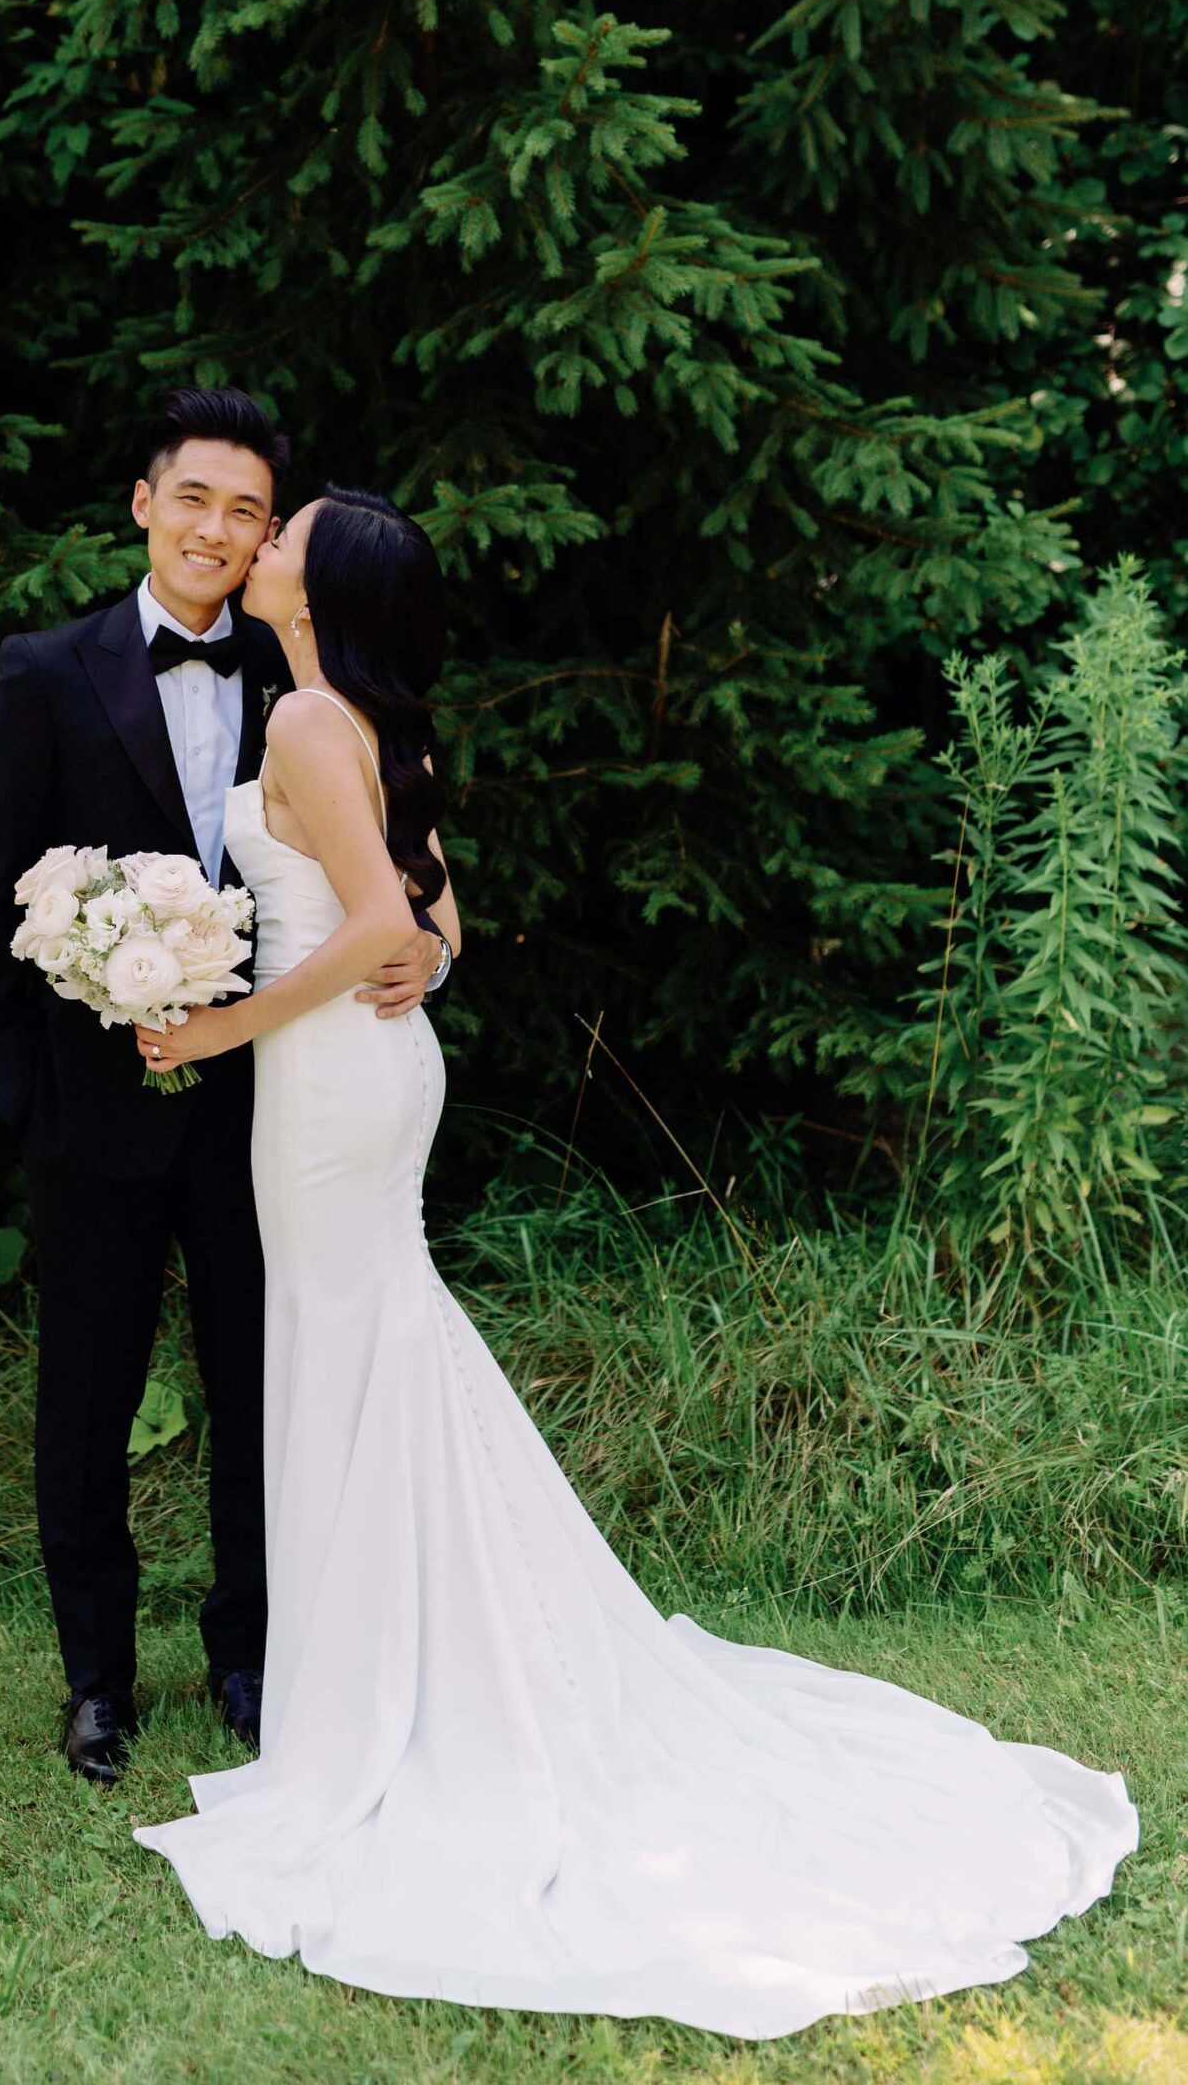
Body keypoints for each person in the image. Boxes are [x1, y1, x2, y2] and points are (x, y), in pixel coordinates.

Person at [128, 483, 1139, 2041]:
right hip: (353, 1079)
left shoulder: (313, 724)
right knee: (368, 1344)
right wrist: (423, 959)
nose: (256, 547)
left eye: (284, 537)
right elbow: (436, 917)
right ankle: (372, 1682)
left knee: (357, 1343)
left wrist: (210, 1026)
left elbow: (386, 914)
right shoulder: (366, 724)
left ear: (321, 583)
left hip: (326, 1086)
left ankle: (380, 1707)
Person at [0, 392, 450, 1786]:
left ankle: (253, 1657)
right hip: (92, 1118)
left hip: (273, 1107)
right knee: (86, 1401)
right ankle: (97, 1682)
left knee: (260, 1390)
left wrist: (430, 958)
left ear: (268, 532)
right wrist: (27, 1097)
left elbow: (391, 873)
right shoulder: (47, 673)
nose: (219, 530)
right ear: (143, 503)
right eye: (196, 499)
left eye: (249, 510)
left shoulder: (307, 692)